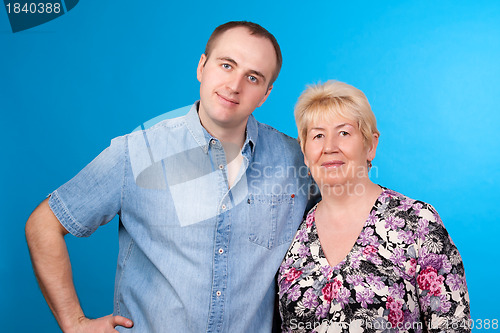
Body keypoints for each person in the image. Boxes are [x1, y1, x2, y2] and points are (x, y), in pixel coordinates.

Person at [26, 21, 313, 332]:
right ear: (202, 67)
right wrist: (74, 322)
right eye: (226, 65)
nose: (235, 85)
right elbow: (43, 224)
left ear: (265, 94)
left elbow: (354, 221)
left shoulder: (297, 160)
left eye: (253, 77)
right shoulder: (136, 153)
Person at [278, 81, 470, 332]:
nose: (329, 147)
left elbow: (451, 326)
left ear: (370, 145)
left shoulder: (418, 222)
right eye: (317, 135)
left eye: (344, 133)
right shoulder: (293, 229)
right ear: (304, 151)